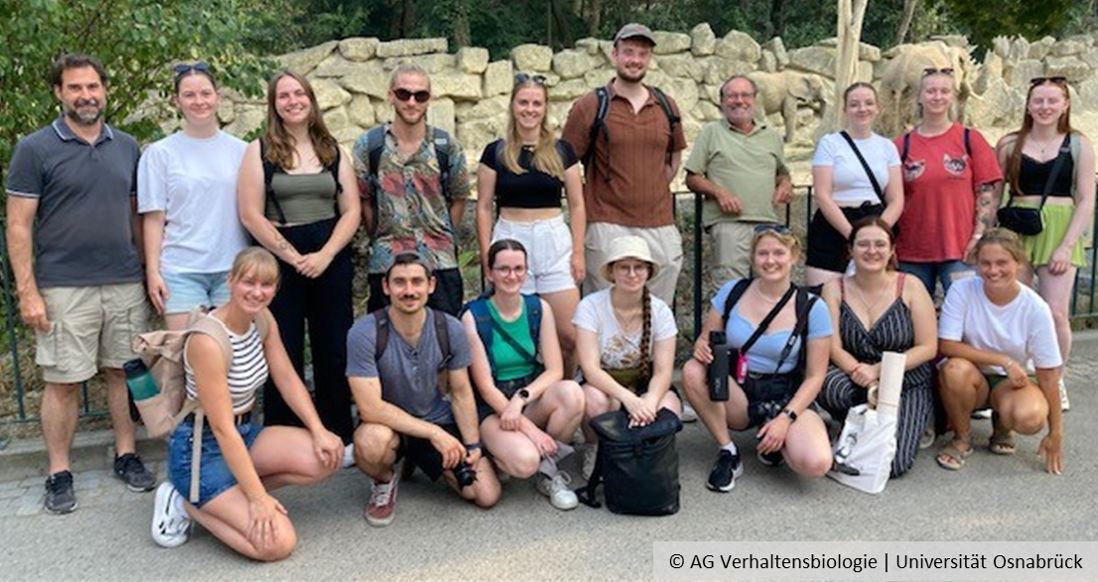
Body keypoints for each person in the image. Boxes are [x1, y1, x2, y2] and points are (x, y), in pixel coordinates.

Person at [5, 53, 154, 514]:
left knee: (124, 372)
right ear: (58, 93)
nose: (86, 96)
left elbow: (137, 218)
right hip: (64, 287)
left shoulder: (127, 146)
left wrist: (149, 272)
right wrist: (27, 291)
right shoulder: (35, 149)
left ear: (104, 90)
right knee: (63, 381)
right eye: (75, 88)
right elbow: (18, 225)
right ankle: (58, 471)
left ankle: (126, 454)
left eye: (92, 87)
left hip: (125, 280)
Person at [151, 247, 343, 559]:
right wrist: (257, 499)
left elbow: (287, 378)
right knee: (277, 544)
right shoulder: (208, 342)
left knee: (325, 456)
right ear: (230, 281)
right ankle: (183, 502)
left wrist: (318, 429)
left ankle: (232, 493)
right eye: (248, 282)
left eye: (266, 285)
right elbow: (222, 429)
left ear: (275, 289)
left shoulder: (262, 318)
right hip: (202, 449)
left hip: (244, 434)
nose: (256, 292)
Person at [238, 70, 361, 446]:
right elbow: (250, 214)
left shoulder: (332, 150)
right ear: (274, 105)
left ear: (310, 100)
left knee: (334, 349)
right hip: (280, 257)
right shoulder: (259, 150)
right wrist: (292, 257)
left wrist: (324, 255)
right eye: (284, 96)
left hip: (330, 253)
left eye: (299, 94)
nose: (292, 101)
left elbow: (352, 210)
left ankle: (338, 433)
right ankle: (286, 437)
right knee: (283, 350)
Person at [347, 252, 500, 527]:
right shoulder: (365, 332)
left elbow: (462, 392)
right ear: (385, 287)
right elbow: (370, 407)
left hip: (435, 417)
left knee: (484, 494)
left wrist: (472, 445)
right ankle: (384, 481)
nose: (409, 291)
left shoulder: (449, 328)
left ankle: (417, 457)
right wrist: (434, 434)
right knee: (370, 444)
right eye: (400, 282)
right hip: (388, 425)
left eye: (417, 282)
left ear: (430, 285)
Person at [682, 225, 833, 493]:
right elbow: (706, 338)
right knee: (693, 371)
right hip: (739, 389)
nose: (770, 260)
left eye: (779, 253)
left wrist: (786, 418)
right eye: (763, 253)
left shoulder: (812, 307)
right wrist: (701, 347)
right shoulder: (733, 292)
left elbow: (815, 376)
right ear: (753, 258)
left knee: (816, 463)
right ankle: (728, 451)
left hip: (786, 394)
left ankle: (777, 439)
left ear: (794, 256)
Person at [561, 23, 687, 306]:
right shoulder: (591, 105)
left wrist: (649, 185)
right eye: (628, 52)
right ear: (614, 54)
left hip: (659, 222)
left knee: (657, 307)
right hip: (606, 222)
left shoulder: (666, 106)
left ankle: (651, 353)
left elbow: (673, 157)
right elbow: (566, 161)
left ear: (649, 59)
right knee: (605, 308)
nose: (635, 60)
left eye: (642, 54)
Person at [994, 76, 1096, 412]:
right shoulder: (1009, 144)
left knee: (1054, 312)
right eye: (1038, 100)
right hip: (1017, 229)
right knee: (1014, 309)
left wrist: (1067, 245)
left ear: (1065, 104)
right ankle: (1013, 375)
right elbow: (995, 195)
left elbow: (1085, 198)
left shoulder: (1079, 145)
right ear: (1027, 104)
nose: (1045, 107)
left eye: (1053, 100)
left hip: (1059, 228)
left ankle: (1056, 378)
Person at [462, 239, 585, 510]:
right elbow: (485, 388)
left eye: (519, 268)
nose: (512, 275)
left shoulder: (538, 308)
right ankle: (505, 454)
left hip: (526, 395)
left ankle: (549, 474)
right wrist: (531, 430)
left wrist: (520, 400)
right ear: (489, 273)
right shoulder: (475, 316)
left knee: (573, 394)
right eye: (503, 269)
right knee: (524, 460)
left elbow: (554, 370)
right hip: (493, 406)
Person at [476, 73, 586, 375]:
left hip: (553, 241)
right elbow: (484, 207)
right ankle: (524, 396)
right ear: (513, 105)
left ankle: (564, 394)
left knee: (569, 336)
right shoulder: (495, 152)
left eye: (537, 103)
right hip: (511, 237)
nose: (530, 109)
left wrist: (578, 251)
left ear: (545, 107)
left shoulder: (563, 151)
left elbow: (577, 204)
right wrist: (488, 255)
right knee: (518, 332)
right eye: (523, 102)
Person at [935, 229, 1064, 474]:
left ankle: (1003, 426)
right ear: (977, 264)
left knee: (1031, 417)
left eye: (1002, 263)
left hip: (1014, 382)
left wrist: (1055, 433)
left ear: (1018, 262)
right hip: (973, 377)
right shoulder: (962, 290)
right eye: (986, 263)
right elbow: (947, 346)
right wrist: (1003, 361)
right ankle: (962, 438)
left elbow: (1048, 375)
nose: (993, 271)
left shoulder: (1036, 307)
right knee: (954, 369)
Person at [816, 218, 937, 478]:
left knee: (891, 465)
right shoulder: (834, 289)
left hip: (905, 380)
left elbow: (928, 347)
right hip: (854, 375)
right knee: (829, 384)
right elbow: (833, 346)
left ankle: (912, 421)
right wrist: (863, 374)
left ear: (892, 250)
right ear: (850, 249)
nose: (872, 251)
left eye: (880, 244)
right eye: (863, 244)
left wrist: (879, 371)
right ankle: (849, 423)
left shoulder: (911, 286)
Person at [139, 62, 250, 330]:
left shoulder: (243, 151)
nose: (198, 101)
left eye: (205, 93)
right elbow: (154, 219)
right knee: (185, 354)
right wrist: (153, 272)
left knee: (233, 358)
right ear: (177, 101)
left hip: (233, 268)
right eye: (189, 95)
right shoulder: (159, 153)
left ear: (218, 97)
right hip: (181, 271)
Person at [354, 63, 472, 316]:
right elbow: (363, 198)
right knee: (387, 345)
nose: (411, 102)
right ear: (390, 96)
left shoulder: (446, 146)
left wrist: (440, 235)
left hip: (439, 262)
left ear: (429, 99)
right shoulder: (369, 145)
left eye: (420, 95)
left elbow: (460, 197)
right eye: (403, 94)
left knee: (445, 339)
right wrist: (378, 232)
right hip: (387, 262)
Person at [573, 236, 682, 478]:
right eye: (624, 267)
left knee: (669, 407)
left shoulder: (660, 311)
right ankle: (596, 447)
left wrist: (649, 404)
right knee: (593, 400)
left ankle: (644, 452)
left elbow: (664, 371)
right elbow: (590, 369)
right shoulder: (590, 307)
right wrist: (628, 400)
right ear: (611, 271)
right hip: (603, 382)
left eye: (639, 267)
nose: (632, 274)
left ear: (648, 271)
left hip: (643, 380)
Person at [893, 68, 1002, 298]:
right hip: (912, 251)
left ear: (953, 96)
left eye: (944, 91)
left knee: (965, 316)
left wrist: (978, 237)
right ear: (920, 96)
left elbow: (986, 194)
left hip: (960, 249)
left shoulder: (970, 139)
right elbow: (892, 198)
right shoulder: (901, 145)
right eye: (931, 91)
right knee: (915, 320)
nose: (937, 97)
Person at [684, 74, 794, 281]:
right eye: (732, 96)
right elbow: (692, 177)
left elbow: (782, 173)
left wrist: (786, 184)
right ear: (722, 102)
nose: (739, 101)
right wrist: (720, 193)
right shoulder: (711, 132)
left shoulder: (771, 135)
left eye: (745, 95)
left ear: (755, 99)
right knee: (731, 290)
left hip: (769, 225)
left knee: (769, 291)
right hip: (729, 225)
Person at [806, 82, 904, 288]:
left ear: (877, 108)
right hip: (835, 223)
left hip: (876, 220)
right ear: (845, 109)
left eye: (869, 103)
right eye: (855, 104)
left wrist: (878, 233)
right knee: (823, 297)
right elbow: (823, 194)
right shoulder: (830, 143)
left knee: (876, 297)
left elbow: (896, 199)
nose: (862, 109)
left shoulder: (887, 147)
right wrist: (853, 235)